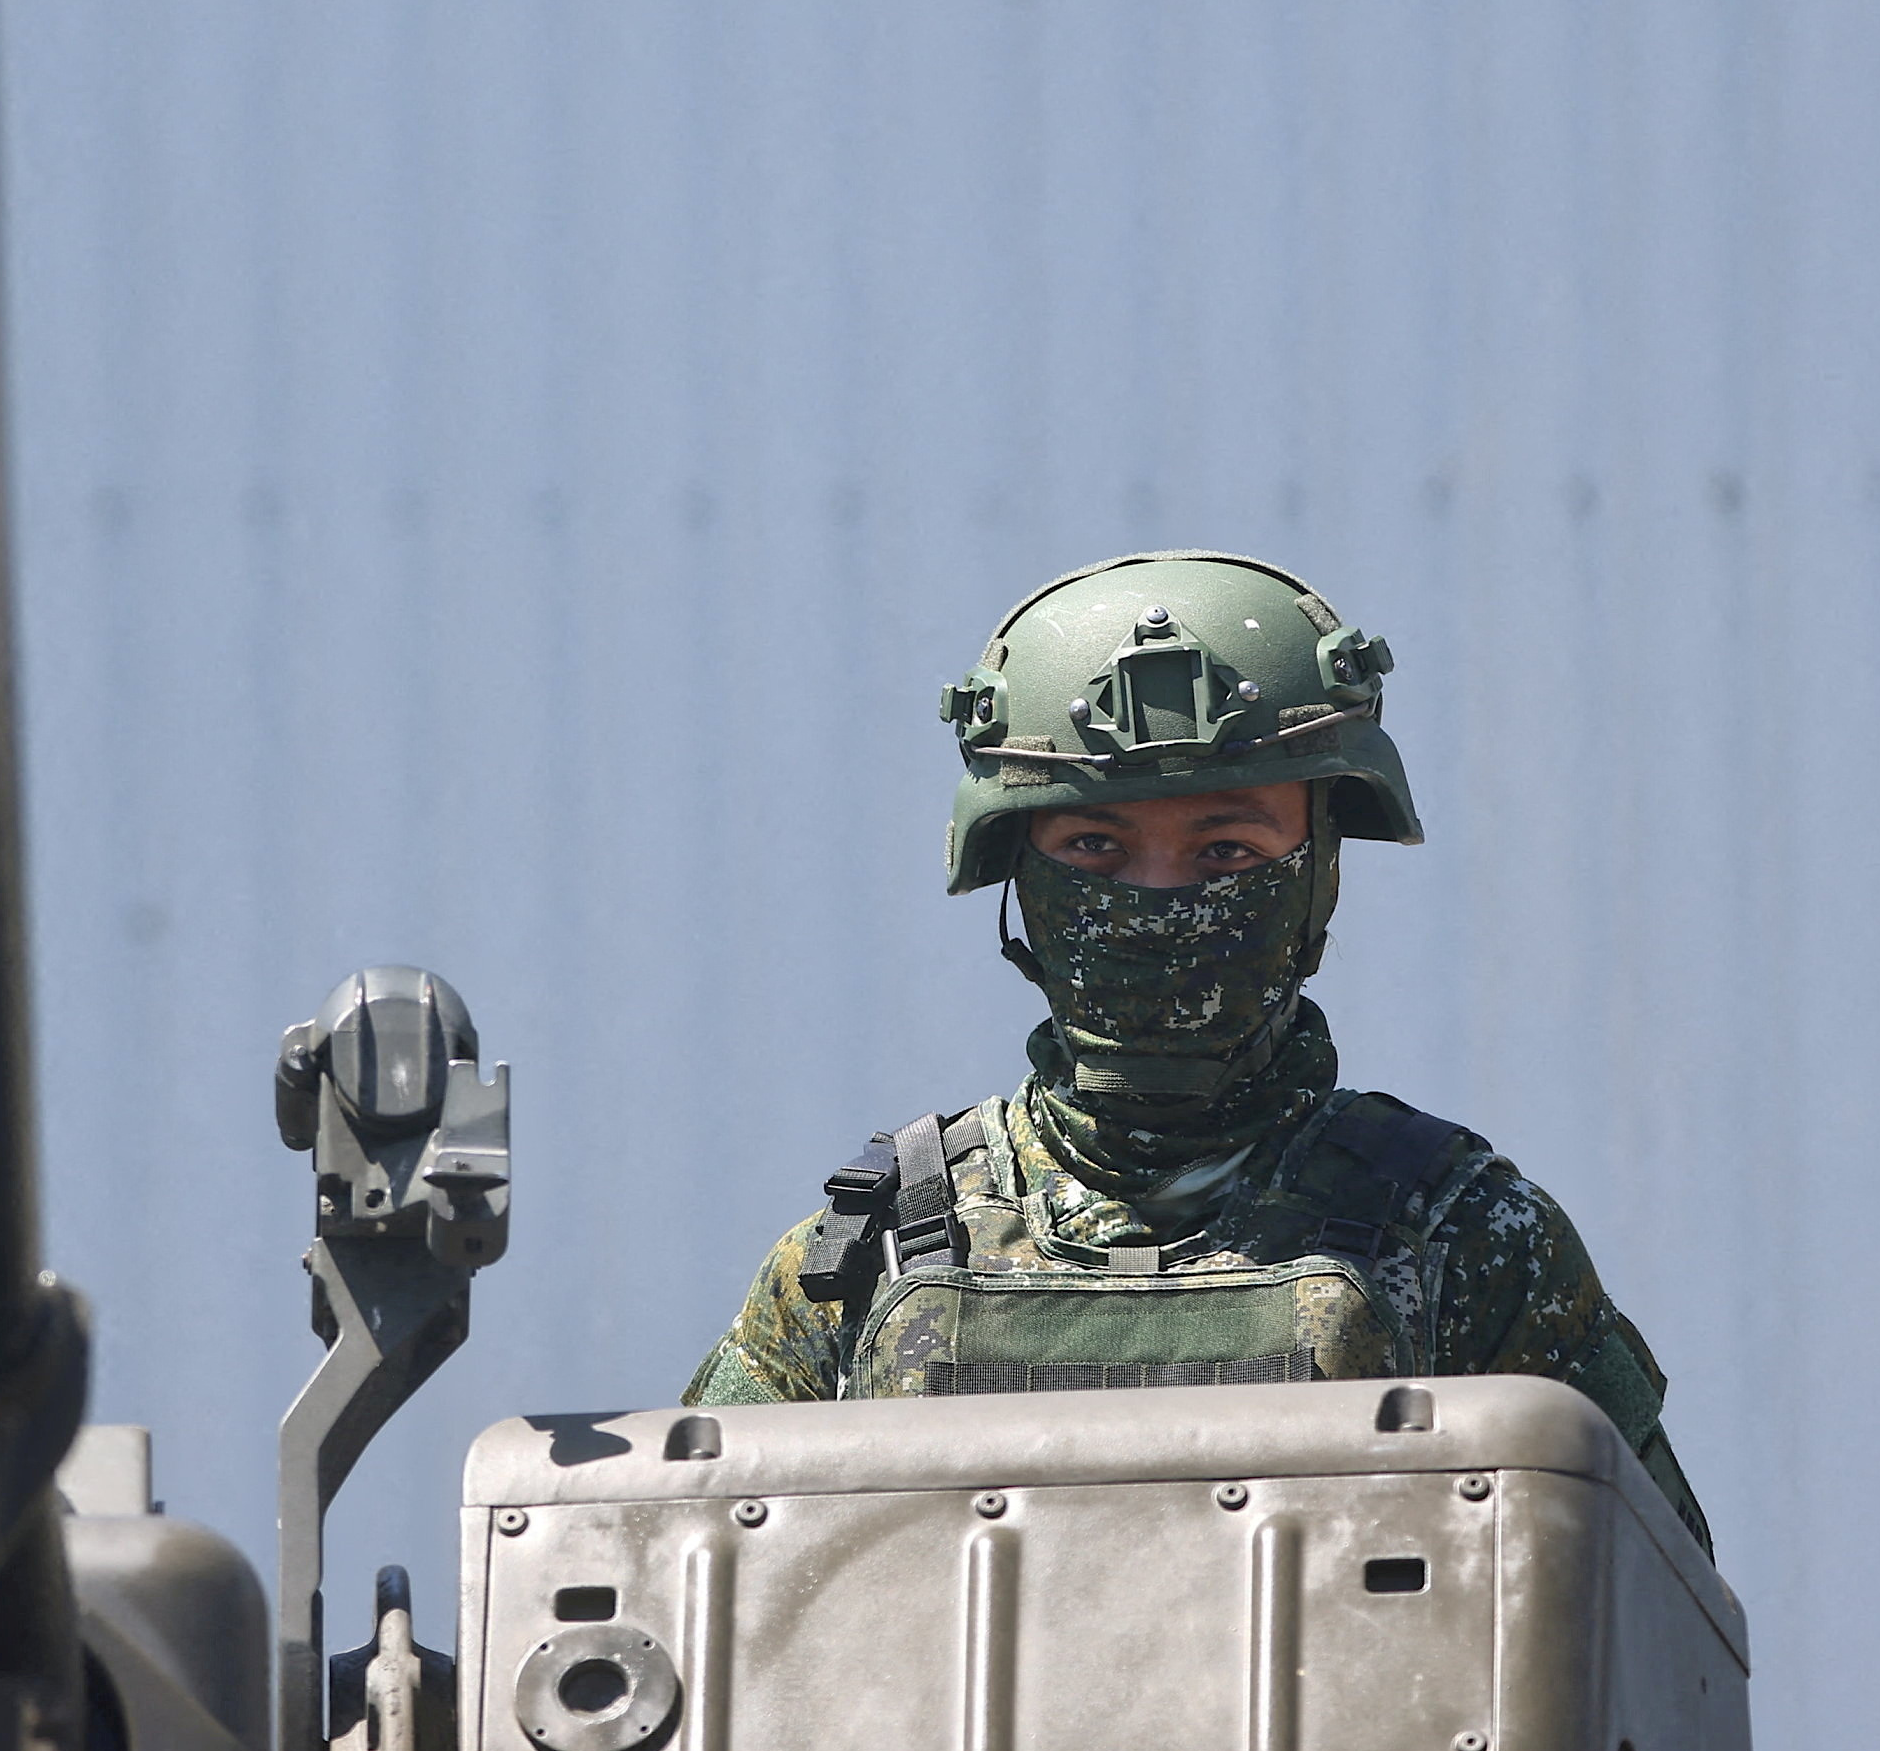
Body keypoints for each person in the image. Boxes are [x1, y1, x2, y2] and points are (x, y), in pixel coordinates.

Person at [683, 551, 1711, 1552]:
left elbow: (1640, 1644)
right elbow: (691, 1611)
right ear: (1021, 876)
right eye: (1094, 848)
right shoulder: (867, 1258)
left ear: (1316, 876)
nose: (1161, 901)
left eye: (1227, 851)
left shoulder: (1466, 1238)